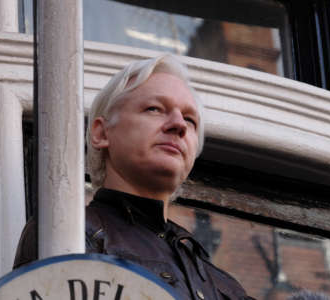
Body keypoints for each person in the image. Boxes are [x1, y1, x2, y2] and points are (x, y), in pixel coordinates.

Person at [14, 54, 255, 300]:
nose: (178, 125)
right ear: (101, 132)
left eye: (190, 120)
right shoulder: (68, 232)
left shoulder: (223, 284)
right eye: (154, 109)